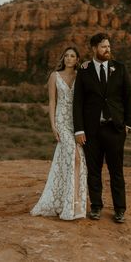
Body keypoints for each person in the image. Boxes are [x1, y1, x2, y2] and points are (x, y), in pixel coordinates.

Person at [73, 33, 131, 223]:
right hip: (92, 131)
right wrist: (79, 130)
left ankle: (120, 209)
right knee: (94, 171)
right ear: (94, 48)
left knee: (117, 171)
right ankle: (96, 207)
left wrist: (128, 124)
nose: (107, 50)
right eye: (103, 47)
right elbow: (78, 102)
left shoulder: (120, 68)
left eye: (108, 46)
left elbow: (129, 97)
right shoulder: (84, 70)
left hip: (115, 129)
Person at [30, 47, 87, 220]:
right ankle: (72, 203)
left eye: (72, 56)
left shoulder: (80, 76)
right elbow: (52, 101)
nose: (69, 59)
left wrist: (87, 65)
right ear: (63, 58)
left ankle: (73, 201)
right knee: (74, 157)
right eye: (66, 56)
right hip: (62, 121)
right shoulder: (55, 76)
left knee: (78, 159)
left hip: (76, 122)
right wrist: (53, 126)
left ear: (77, 59)